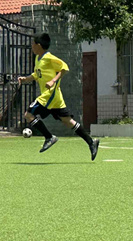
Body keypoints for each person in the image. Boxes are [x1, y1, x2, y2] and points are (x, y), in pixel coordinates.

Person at [18, 32, 100, 160]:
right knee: (68, 121)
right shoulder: (38, 58)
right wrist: (25, 79)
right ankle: (91, 142)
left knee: (28, 115)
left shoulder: (49, 57)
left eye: (33, 44)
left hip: (49, 95)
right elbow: (36, 74)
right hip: (55, 97)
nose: (32, 47)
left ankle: (49, 137)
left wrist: (53, 80)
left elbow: (65, 67)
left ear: (38, 45)